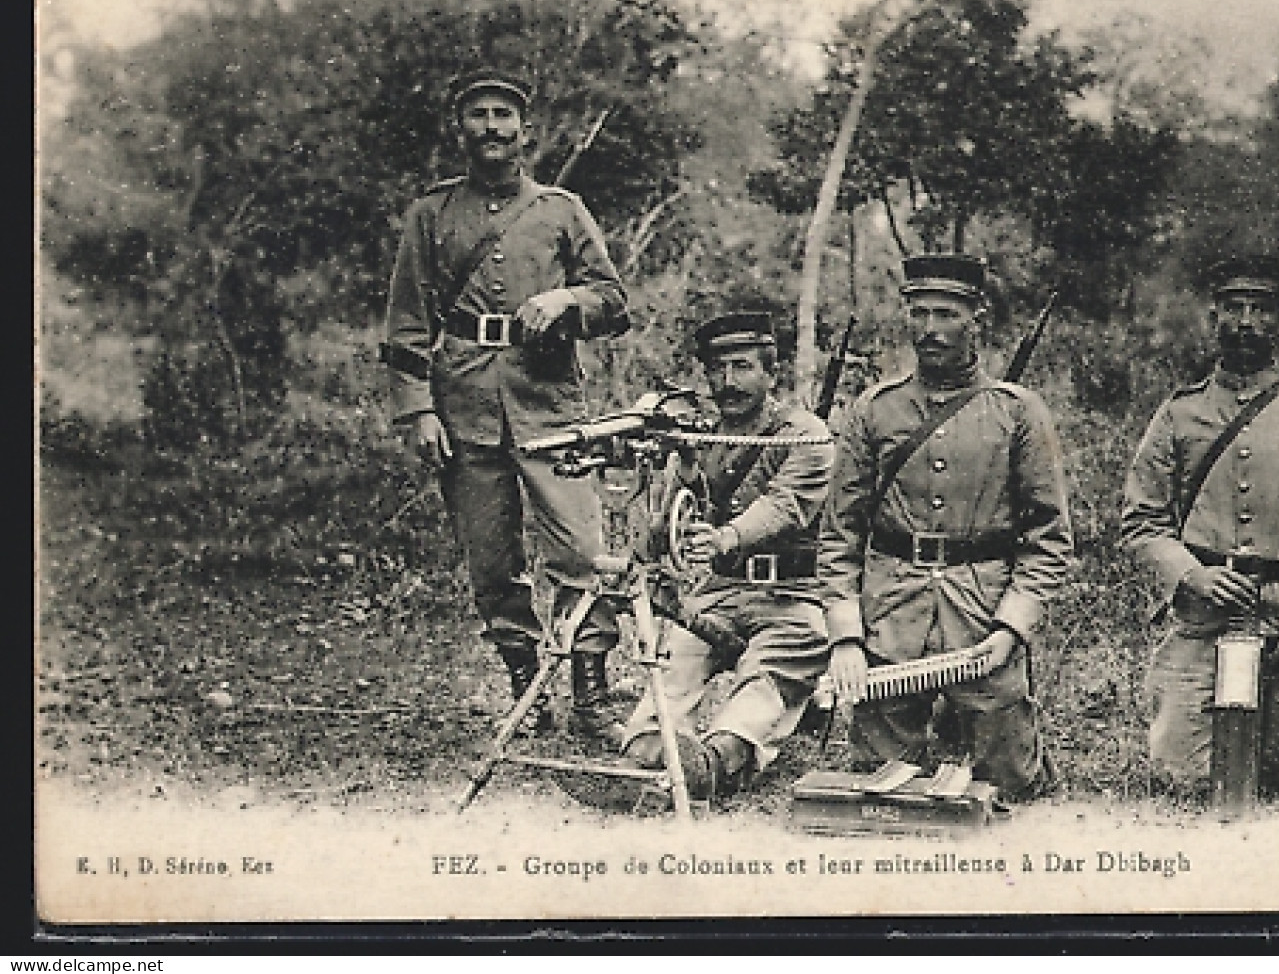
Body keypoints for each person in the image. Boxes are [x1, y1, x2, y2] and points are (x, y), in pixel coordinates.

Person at [382, 68, 631, 746]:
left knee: (582, 551)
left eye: (503, 115)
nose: (491, 127)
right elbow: (406, 326)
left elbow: (613, 301)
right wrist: (417, 411)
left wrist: (565, 302)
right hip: (462, 404)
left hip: (549, 400)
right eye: (477, 114)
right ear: (458, 127)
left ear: (527, 130)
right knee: (490, 561)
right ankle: (525, 689)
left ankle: (589, 693)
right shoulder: (431, 215)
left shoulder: (559, 209)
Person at [1120, 242, 1279, 800]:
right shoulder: (1179, 414)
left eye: (1260, 307)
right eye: (1232, 307)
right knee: (1181, 779)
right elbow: (1141, 521)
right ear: (1213, 316)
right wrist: (1192, 575)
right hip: (1200, 621)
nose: (1245, 321)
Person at [818, 255, 1073, 802]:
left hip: (981, 615)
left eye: (947, 315)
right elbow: (839, 536)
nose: (930, 330)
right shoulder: (874, 411)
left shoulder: (1018, 413)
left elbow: (1048, 540)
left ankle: (984, 730)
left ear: (977, 318)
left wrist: (1011, 630)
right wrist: (845, 637)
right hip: (891, 615)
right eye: (920, 313)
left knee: (1008, 785)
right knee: (878, 790)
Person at [613, 311, 835, 800]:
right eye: (717, 370)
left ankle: (718, 762)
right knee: (670, 672)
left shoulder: (807, 436)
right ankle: (647, 755)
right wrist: (684, 469)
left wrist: (723, 539)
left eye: (742, 367)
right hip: (720, 593)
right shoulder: (708, 436)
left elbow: (784, 506)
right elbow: (667, 526)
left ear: (770, 374)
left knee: (765, 680)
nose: (727, 382)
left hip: (791, 597)